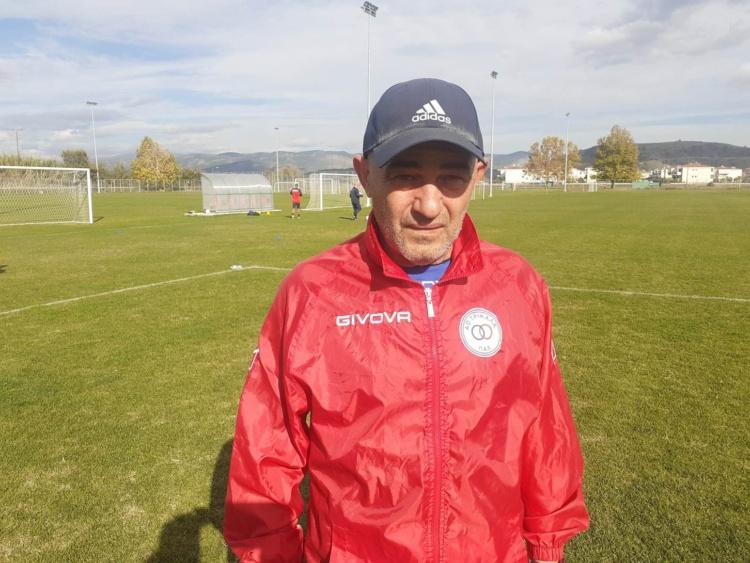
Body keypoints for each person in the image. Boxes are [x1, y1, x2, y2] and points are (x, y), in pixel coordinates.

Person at [224, 78, 589, 562]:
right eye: (405, 176)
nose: (429, 206)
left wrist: (546, 546)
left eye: (452, 178)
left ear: (478, 176)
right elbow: (265, 453)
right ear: (365, 174)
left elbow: (545, 432)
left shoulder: (518, 285)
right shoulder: (312, 292)